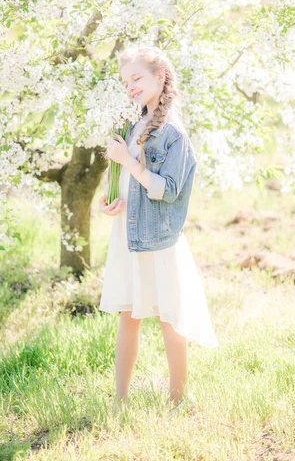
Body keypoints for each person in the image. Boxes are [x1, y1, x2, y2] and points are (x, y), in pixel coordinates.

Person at [98, 45, 218, 413]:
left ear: (160, 76)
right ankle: (120, 399)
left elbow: (167, 190)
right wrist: (110, 199)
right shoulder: (134, 125)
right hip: (129, 234)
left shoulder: (172, 133)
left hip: (159, 238)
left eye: (136, 78)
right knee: (129, 315)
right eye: (125, 81)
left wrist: (128, 163)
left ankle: (179, 398)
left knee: (170, 315)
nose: (130, 86)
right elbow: (126, 182)